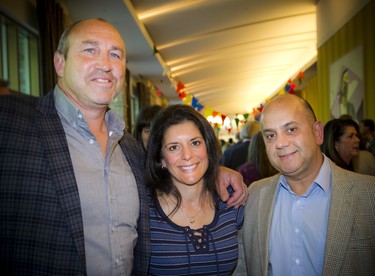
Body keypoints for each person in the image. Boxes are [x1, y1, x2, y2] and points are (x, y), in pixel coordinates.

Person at [0, 18, 248, 275]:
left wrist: (215, 172)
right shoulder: (9, 122)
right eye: (90, 50)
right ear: (59, 63)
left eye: (115, 55)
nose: (105, 64)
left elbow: (174, 172)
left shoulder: (129, 148)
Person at [233, 94, 375, 276]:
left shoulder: (369, 195)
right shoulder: (254, 195)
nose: (280, 143)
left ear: (317, 132)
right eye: (270, 135)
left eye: (291, 129)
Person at [145, 104, 245, 274]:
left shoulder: (231, 200)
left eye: (195, 143)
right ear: (161, 159)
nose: (187, 155)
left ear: (208, 147)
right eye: (174, 147)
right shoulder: (143, 210)